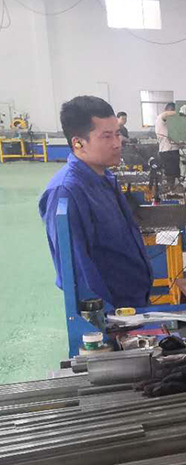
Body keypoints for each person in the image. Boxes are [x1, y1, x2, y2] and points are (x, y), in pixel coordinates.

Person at [39, 96, 153, 310]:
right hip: (112, 315)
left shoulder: (105, 177)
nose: (117, 143)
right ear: (78, 142)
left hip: (133, 307)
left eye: (117, 134)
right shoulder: (66, 192)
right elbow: (78, 274)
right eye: (107, 136)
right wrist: (104, 320)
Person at [155, 102, 181, 189]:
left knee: (174, 174)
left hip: (173, 150)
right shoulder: (161, 117)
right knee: (170, 174)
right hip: (167, 151)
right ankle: (168, 190)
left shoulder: (168, 122)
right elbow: (166, 114)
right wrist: (182, 113)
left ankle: (172, 191)